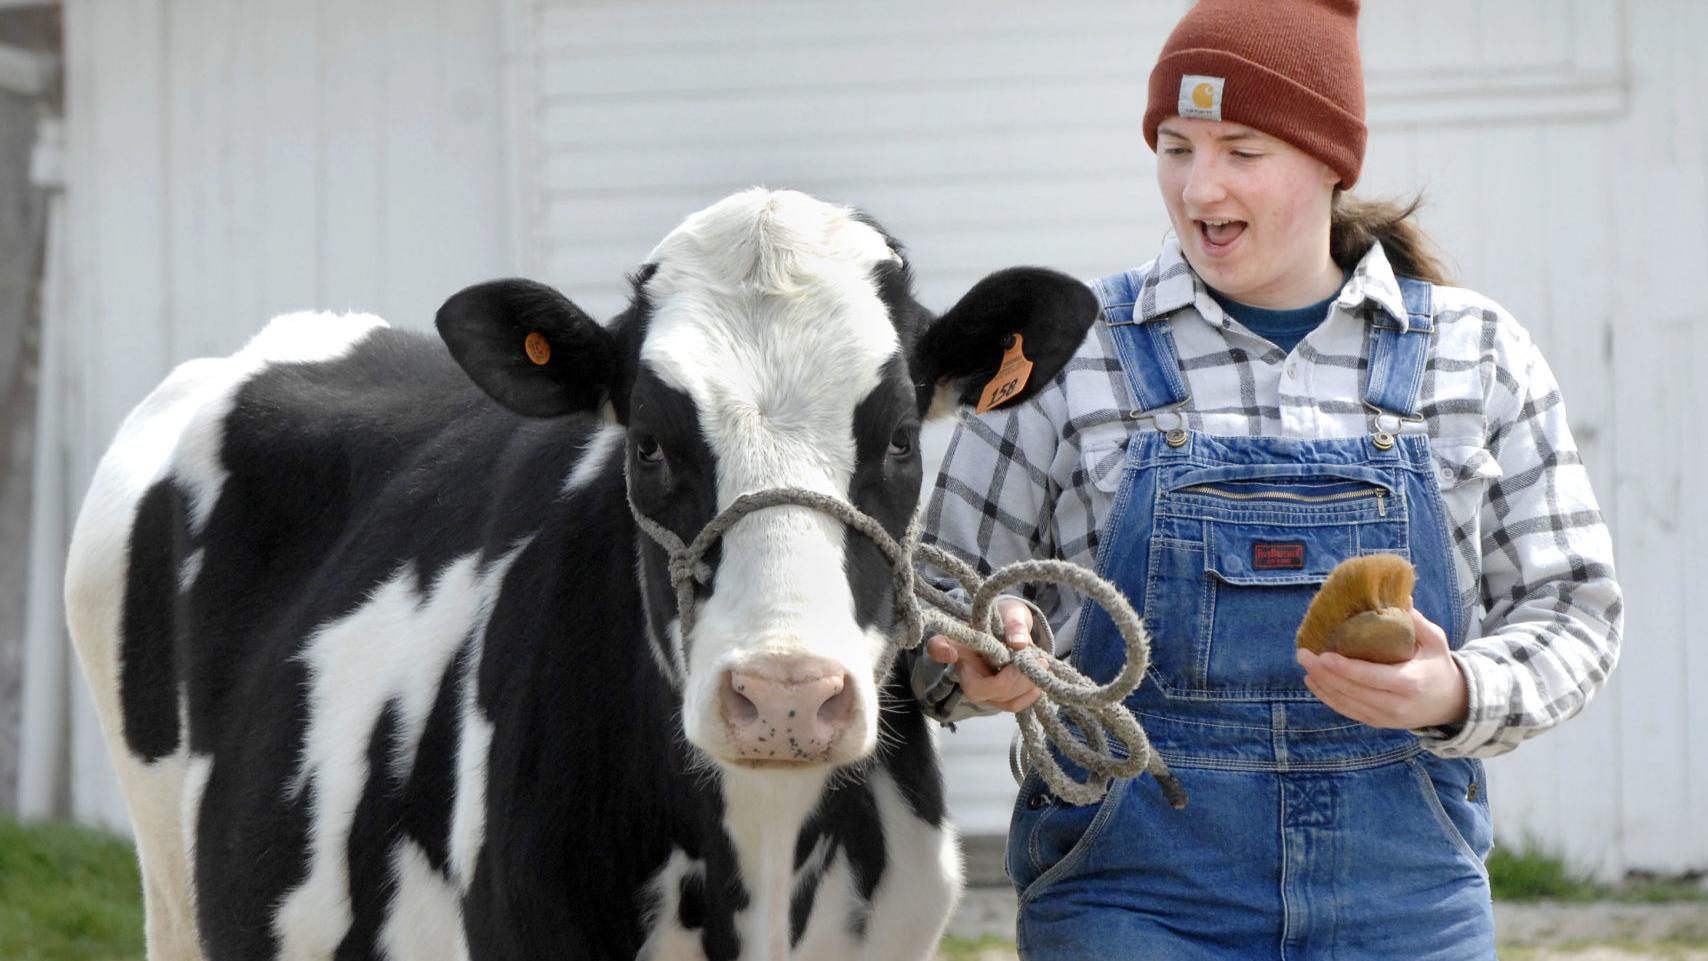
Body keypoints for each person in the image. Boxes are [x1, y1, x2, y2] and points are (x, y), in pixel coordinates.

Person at [910, 0, 1624, 958]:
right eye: (1175, 147)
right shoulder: (1066, 355)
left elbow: (1574, 607)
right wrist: (980, 657)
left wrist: (1457, 688)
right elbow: (927, 606)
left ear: (1331, 161)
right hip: (1134, 907)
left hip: (1405, 908)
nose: (1199, 185)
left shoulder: (1477, 352)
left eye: (1241, 150)